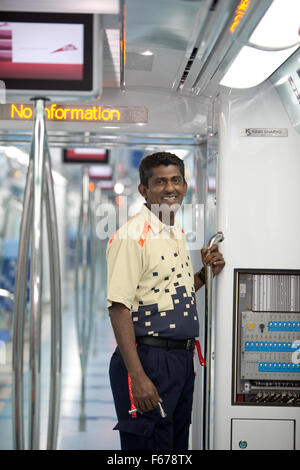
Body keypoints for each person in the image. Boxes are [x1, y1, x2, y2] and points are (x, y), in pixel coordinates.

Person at [107, 152, 225, 450]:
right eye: (160, 182)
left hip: (180, 360)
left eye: (176, 180)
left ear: (185, 185)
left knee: (174, 444)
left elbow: (172, 294)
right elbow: (118, 307)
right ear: (144, 190)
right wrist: (138, 377)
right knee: (149, 446)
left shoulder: (175, 232)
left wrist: (205, 273)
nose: (170, 188)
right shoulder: (132, 235)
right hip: (148, 359)